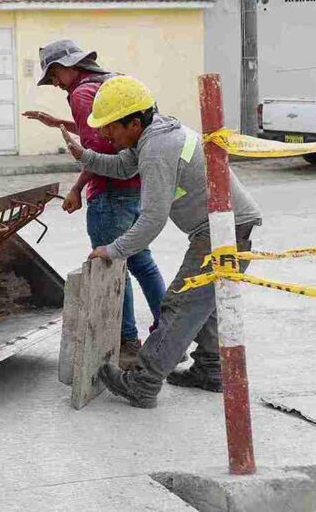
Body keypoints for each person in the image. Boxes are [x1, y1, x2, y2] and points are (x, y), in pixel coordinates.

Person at [59, 76, 262, 409]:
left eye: (110, 127)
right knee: (204, 300)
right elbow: (124, 167)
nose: (106, 135)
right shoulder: (156, 134)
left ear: (134, 123)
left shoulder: (156, 149)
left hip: (223, 229)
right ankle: (211, 370)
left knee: (181, 304)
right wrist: (86, 157)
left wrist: (113, 250)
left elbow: (152, 220)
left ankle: (143, 382)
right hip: (228, 225)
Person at [23, 39, 166, 369]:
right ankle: (168, 335)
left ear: (71, 66)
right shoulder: (108, 83)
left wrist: (76, 189)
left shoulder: (81, 93)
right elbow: (104, 132)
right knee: (141, 262)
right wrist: (59, 123)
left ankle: (127, 343)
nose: (56, 83)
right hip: (135, 188)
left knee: (113, 264)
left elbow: (99, 152)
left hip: (111, 193)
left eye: (55, 74)